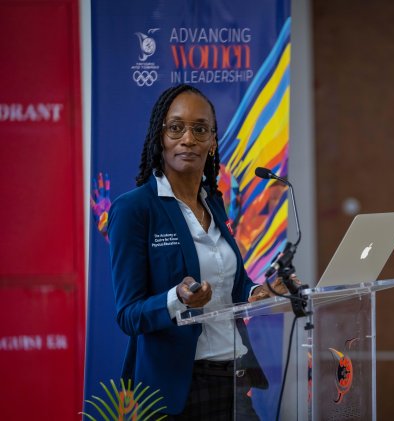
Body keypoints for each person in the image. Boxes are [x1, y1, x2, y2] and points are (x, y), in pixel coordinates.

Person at [108, 84, 288, 419]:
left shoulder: (214, 202)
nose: (188, 139)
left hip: (234, 377)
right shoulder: (134, 209)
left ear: (213, 141)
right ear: (160, 137)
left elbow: (232, 284)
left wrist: (259, 292)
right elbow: (128, 315)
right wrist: (177, 298)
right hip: (179, 388)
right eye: (176, 128)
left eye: (200, 129)